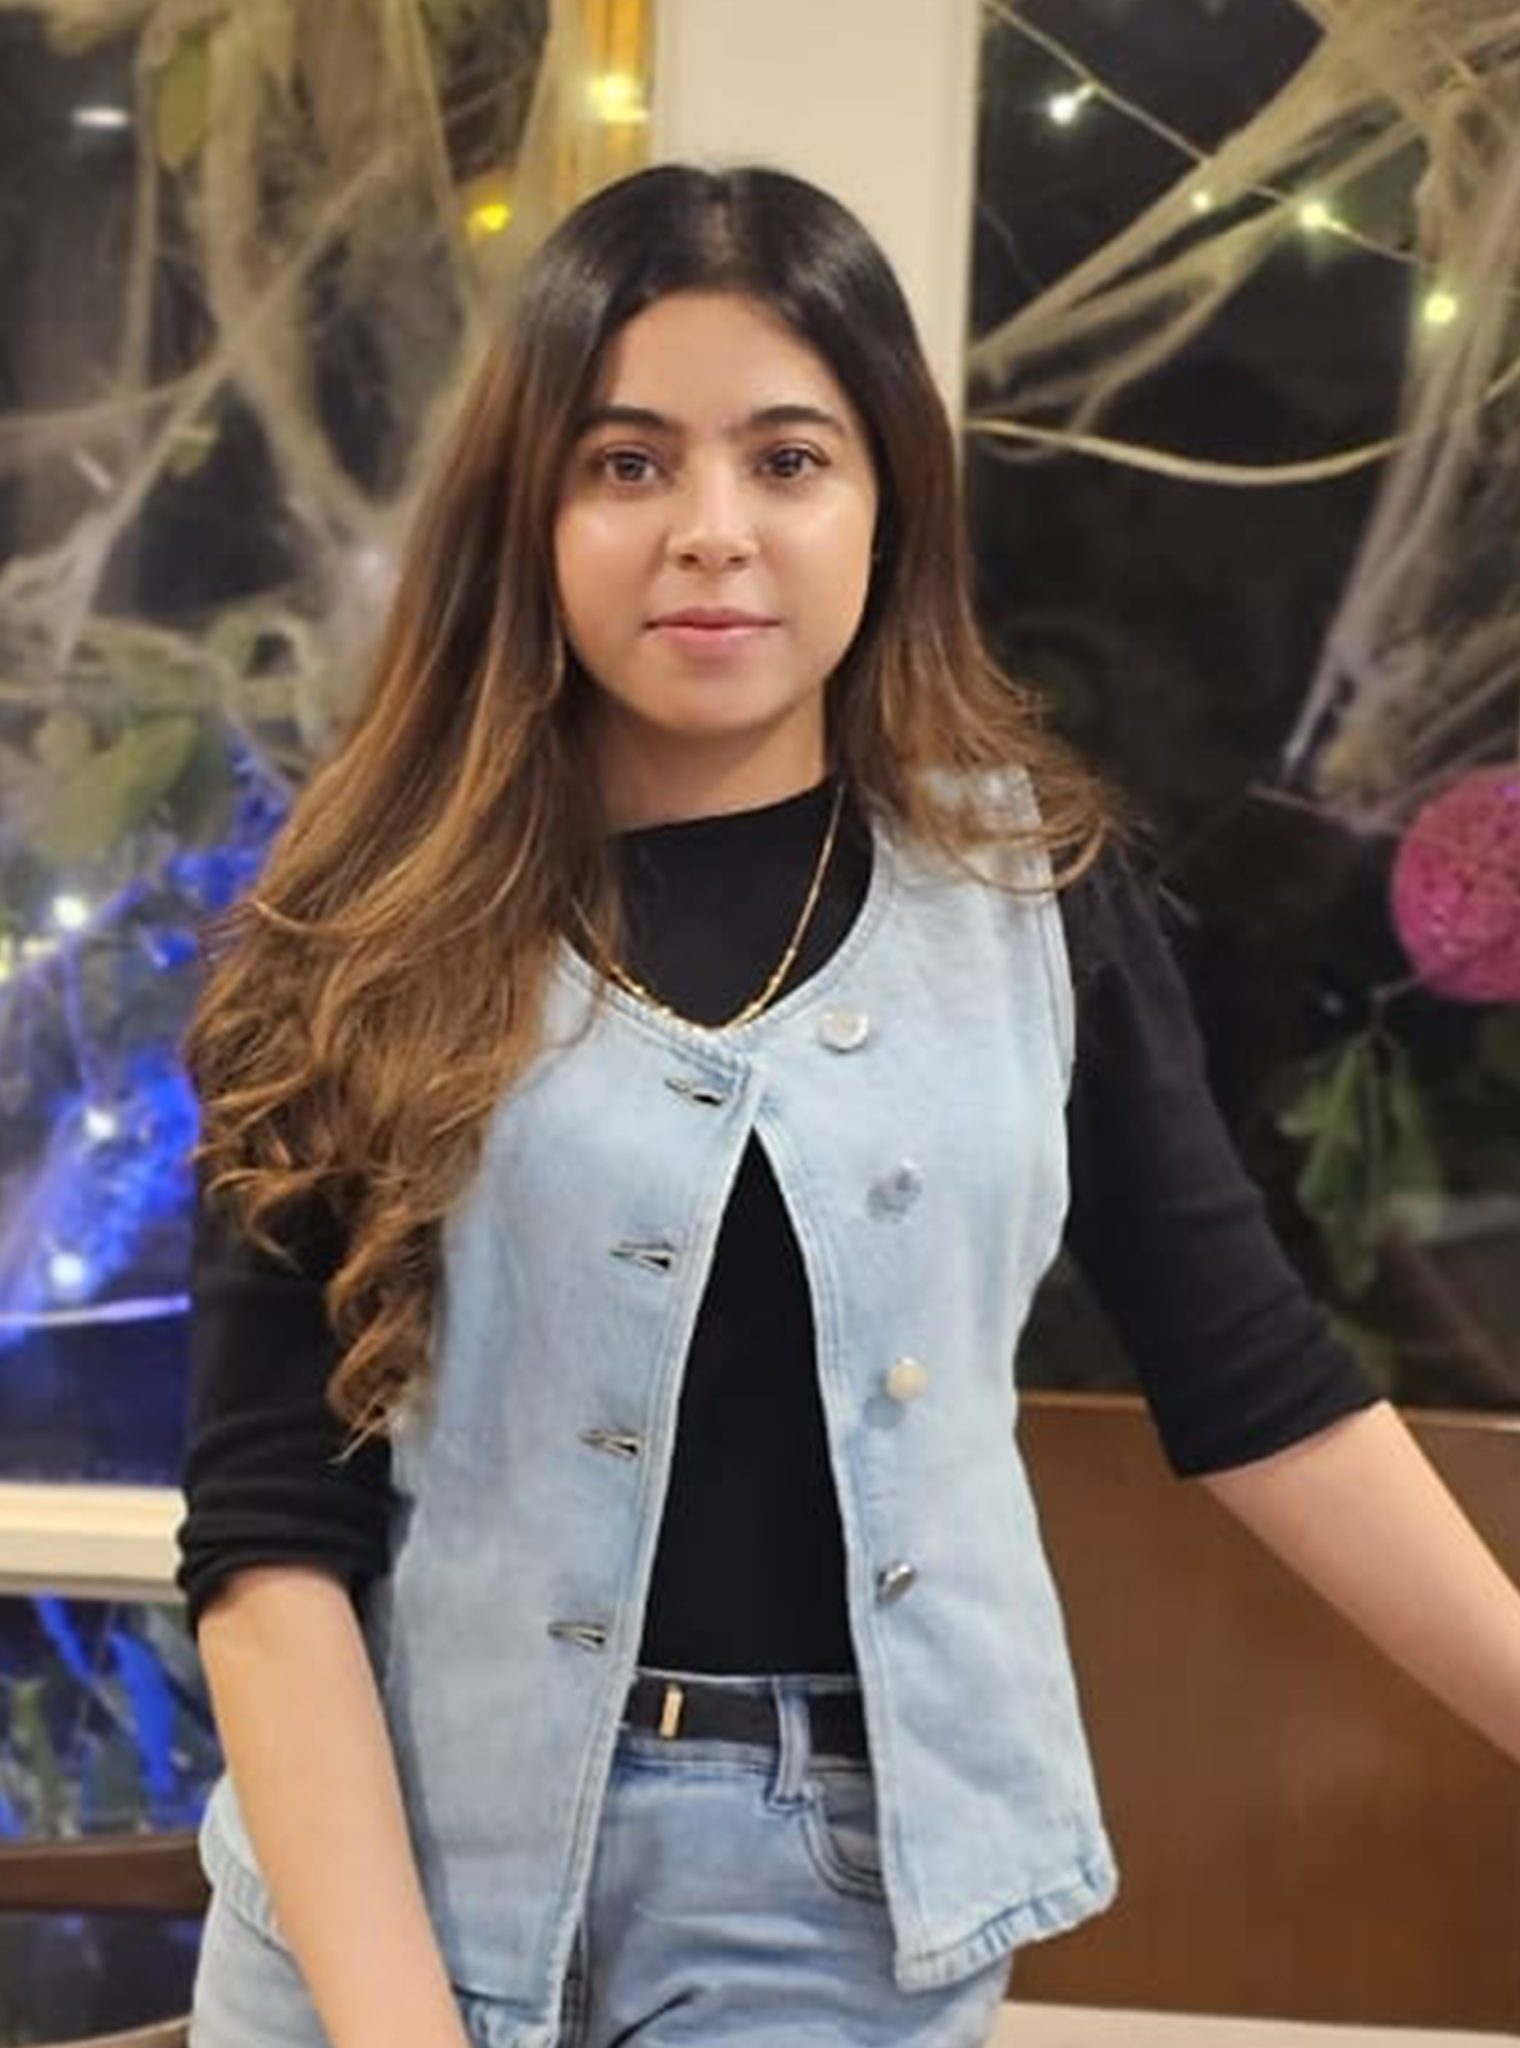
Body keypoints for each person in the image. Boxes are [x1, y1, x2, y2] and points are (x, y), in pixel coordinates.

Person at [177, 163, 1520, 2048]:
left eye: (789, 460)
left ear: (889, 502)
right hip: (377, 1874)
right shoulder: (350, 923)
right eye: (627, 463)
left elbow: (1255, 1381)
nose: (712, 532)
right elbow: (265, 1537)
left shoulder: (1032, 901)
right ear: (528, 508)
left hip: (824, 1901)